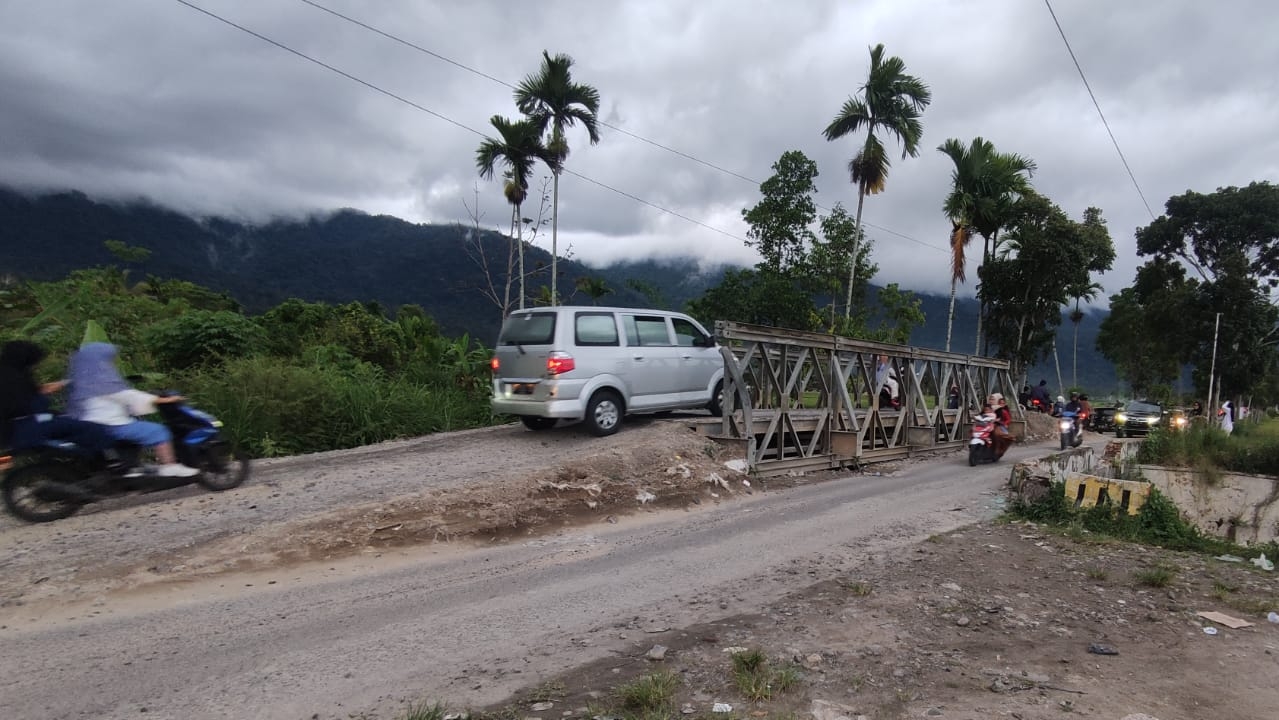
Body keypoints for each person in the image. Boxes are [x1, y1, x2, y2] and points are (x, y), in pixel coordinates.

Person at [66, 342, 200, 477]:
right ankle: (169, 466)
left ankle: (132, 465)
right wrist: (166, 400)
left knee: (135, 428)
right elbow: (129, 396)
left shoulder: (81, 381)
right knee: (158, 431)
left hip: (90, 425)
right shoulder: (102, 381)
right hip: (112, 424)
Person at [0, 339, 120, 463]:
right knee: (93, 429)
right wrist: (43, 397)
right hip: (28, 427)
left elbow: (26, 395)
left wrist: (48, 389)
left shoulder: (9, 374)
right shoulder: (17, 378)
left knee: (67, 421)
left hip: (13, 429)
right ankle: (106, 463)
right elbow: (31, 404)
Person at [990, 392, 1014, 459]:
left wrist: (1004, 423)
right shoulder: (988, 407)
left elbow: (1008, 419)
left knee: (999, 435)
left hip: (999, 425)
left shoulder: (1002, 410)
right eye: (990, 399)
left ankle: (998, 448)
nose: (991, 401)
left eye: (993, 399)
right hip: (988, 424)